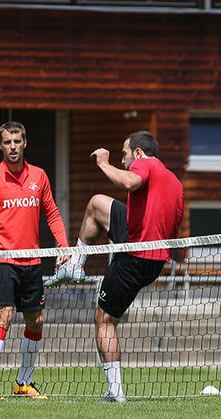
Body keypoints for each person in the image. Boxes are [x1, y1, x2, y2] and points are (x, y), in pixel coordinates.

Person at [45, 130, 183, 403]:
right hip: (149, 252)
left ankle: (116, 392)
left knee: (104, 319)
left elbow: (130, 181)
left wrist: (104, 163)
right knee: (97, 203)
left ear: (139, 153)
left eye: (124, 155)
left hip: (135, 257)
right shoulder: (174, 181)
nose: (123, 161)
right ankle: (76, 265)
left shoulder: (145, 165)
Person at [0, 121, 70, 399]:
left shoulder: (39, 176)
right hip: (3, 260)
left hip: (33, 262)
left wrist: (63, 245)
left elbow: (53, 214)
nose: (13, 147)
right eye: (7, 142)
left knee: (36, 321)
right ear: (0, 145)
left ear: (24, 143)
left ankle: (23, 382)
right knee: (4, 316)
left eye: (17, 141)